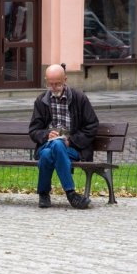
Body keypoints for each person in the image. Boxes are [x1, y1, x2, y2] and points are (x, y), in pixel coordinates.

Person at [29, 64, 99, 209]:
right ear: (46, 81)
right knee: (54, 145)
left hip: (73, 148)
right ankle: (71, 193)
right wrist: (47, 134)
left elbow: (92, 126)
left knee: (49, 154)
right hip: (48, 143)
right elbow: (34, 130)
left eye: (58, 84)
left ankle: (43, 194)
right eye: (51, 84)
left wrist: (71, 140)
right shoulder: (41, 100)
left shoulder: (79, 98)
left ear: (65, 79)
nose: (54, 87)